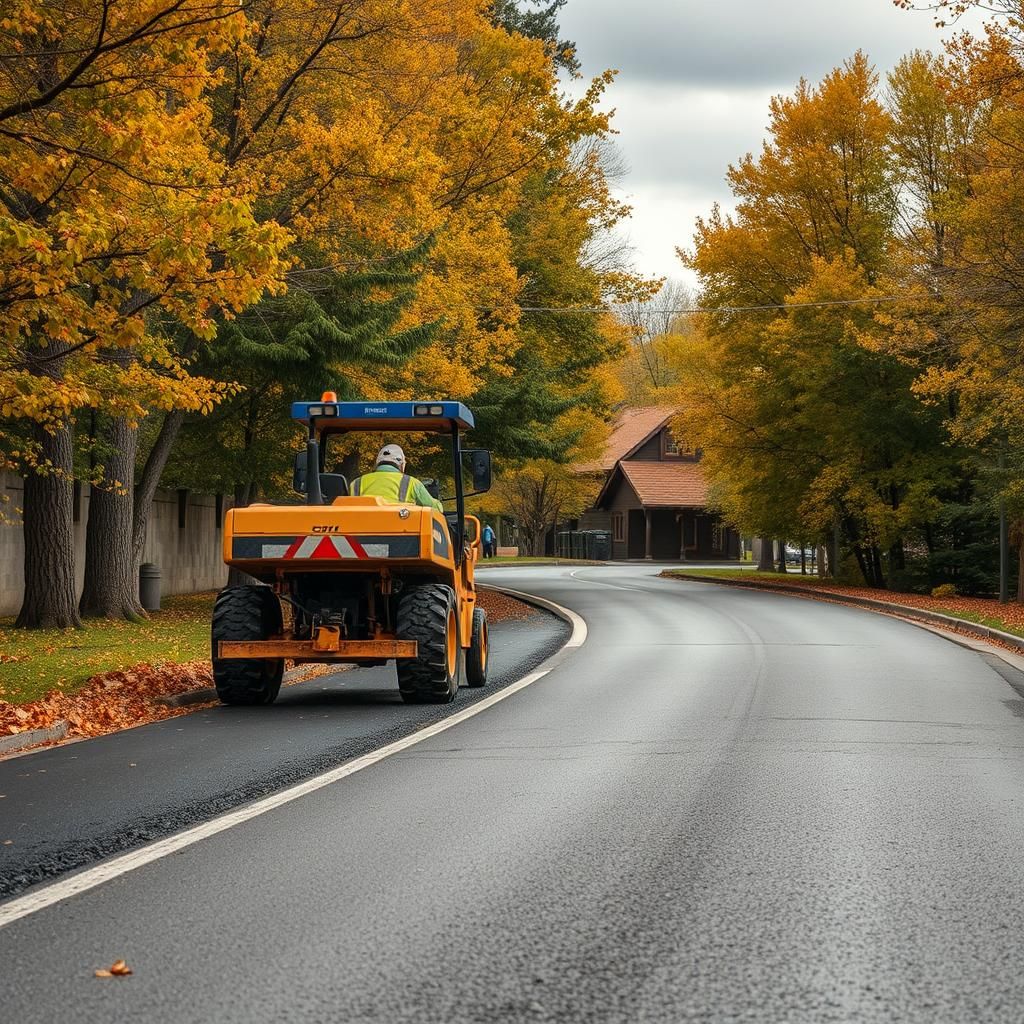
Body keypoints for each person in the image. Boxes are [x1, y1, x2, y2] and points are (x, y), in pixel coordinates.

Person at [351, 444, 443, 512]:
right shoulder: (412, 483)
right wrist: (435, 499)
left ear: (377, 463)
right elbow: (436, 509)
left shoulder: (356, 483)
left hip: (360, 534)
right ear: (402, 464)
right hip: (403, 535)